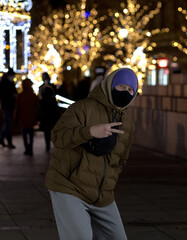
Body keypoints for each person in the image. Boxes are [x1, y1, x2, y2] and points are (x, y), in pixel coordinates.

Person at [45, 67, 138, 240]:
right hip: (69, 186)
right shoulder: (83, 108)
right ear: (110, 85)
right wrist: (89, 132)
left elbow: (122, 160)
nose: (125, 92)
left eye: (130, 89)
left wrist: (111, 179)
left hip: (102, 195)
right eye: (121, 86)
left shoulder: (128, 124)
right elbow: (58, 136)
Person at [15, 78, 39, 156]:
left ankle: (27, 148)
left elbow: (18, 108)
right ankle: (30, 148)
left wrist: (16, 118)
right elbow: (37, 106)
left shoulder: (21, 95)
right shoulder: (33, 95)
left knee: (25, 133)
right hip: (31, 116)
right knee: (31, 133)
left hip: (23, 117)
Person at [39, 72, 59, 152]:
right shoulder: (52, 86)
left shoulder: (41, 87)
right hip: (52, 110)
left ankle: (48, 145)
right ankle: (53, 143)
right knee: (52, 128)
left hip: (45, 110)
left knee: (47, 130)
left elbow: (40, 98)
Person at [0, 67, 17, 148]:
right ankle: (8, 141)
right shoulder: (7, 83)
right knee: (8, 123)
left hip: (7, 106)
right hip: (7, 106)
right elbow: (13, 93)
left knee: (7, 123)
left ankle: (1, 139)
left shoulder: (4, 82)